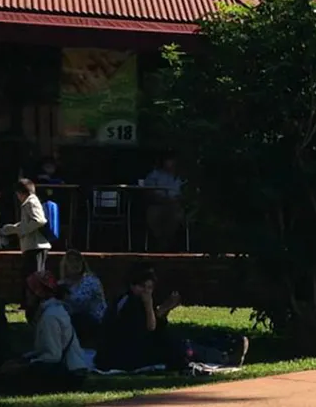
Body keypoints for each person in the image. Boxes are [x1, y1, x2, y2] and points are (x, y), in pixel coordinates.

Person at [96, 264, 248, 372]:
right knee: (177, 347)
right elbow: (148, 328)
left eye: (149, 288)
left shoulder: (134, 300)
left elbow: (152, 326)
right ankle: (224, 357)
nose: (146, 292)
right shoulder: (129, 302)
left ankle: (224, 350)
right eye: (142, 287)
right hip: (124, 355)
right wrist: (154, 307)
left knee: (179, 341)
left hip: (132, 350)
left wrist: (163, 310)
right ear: (132, 285)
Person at [7, 276, 90, 392]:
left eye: (29, 292)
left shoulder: (50, 317)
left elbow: (53, 356)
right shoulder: (50, 312)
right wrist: (24, 358)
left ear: (38, 294)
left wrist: (24, 366)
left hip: (69, 375)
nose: (26, 296)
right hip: (70, 371)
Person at [1, 179, 52, 276]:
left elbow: (39, 220)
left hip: (36, 246)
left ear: (20, 193)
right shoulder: (30, 202)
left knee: (35, 280)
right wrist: (12, 228)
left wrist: (21, 230)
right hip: (32, 246)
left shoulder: (31, 202)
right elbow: (28, 222)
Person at [57, 251, 106, 345]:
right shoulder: (62, 283)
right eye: (71, 261)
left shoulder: (90, 280)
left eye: (78, 261)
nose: (75, 264)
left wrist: (64, 295)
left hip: (94, 321)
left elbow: (80, 303)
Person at [142, 157, 187, 252]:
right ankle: (160, 242)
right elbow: (149, 192)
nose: (171, 162)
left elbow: (187, 194)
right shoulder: (154, 175)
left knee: (176, 215)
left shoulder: (183, 176)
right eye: (168, 159)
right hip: (158, 204)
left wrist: (177, 200)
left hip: (176, 206)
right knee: (154, 214)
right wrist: (163, 200)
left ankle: (168, 243)